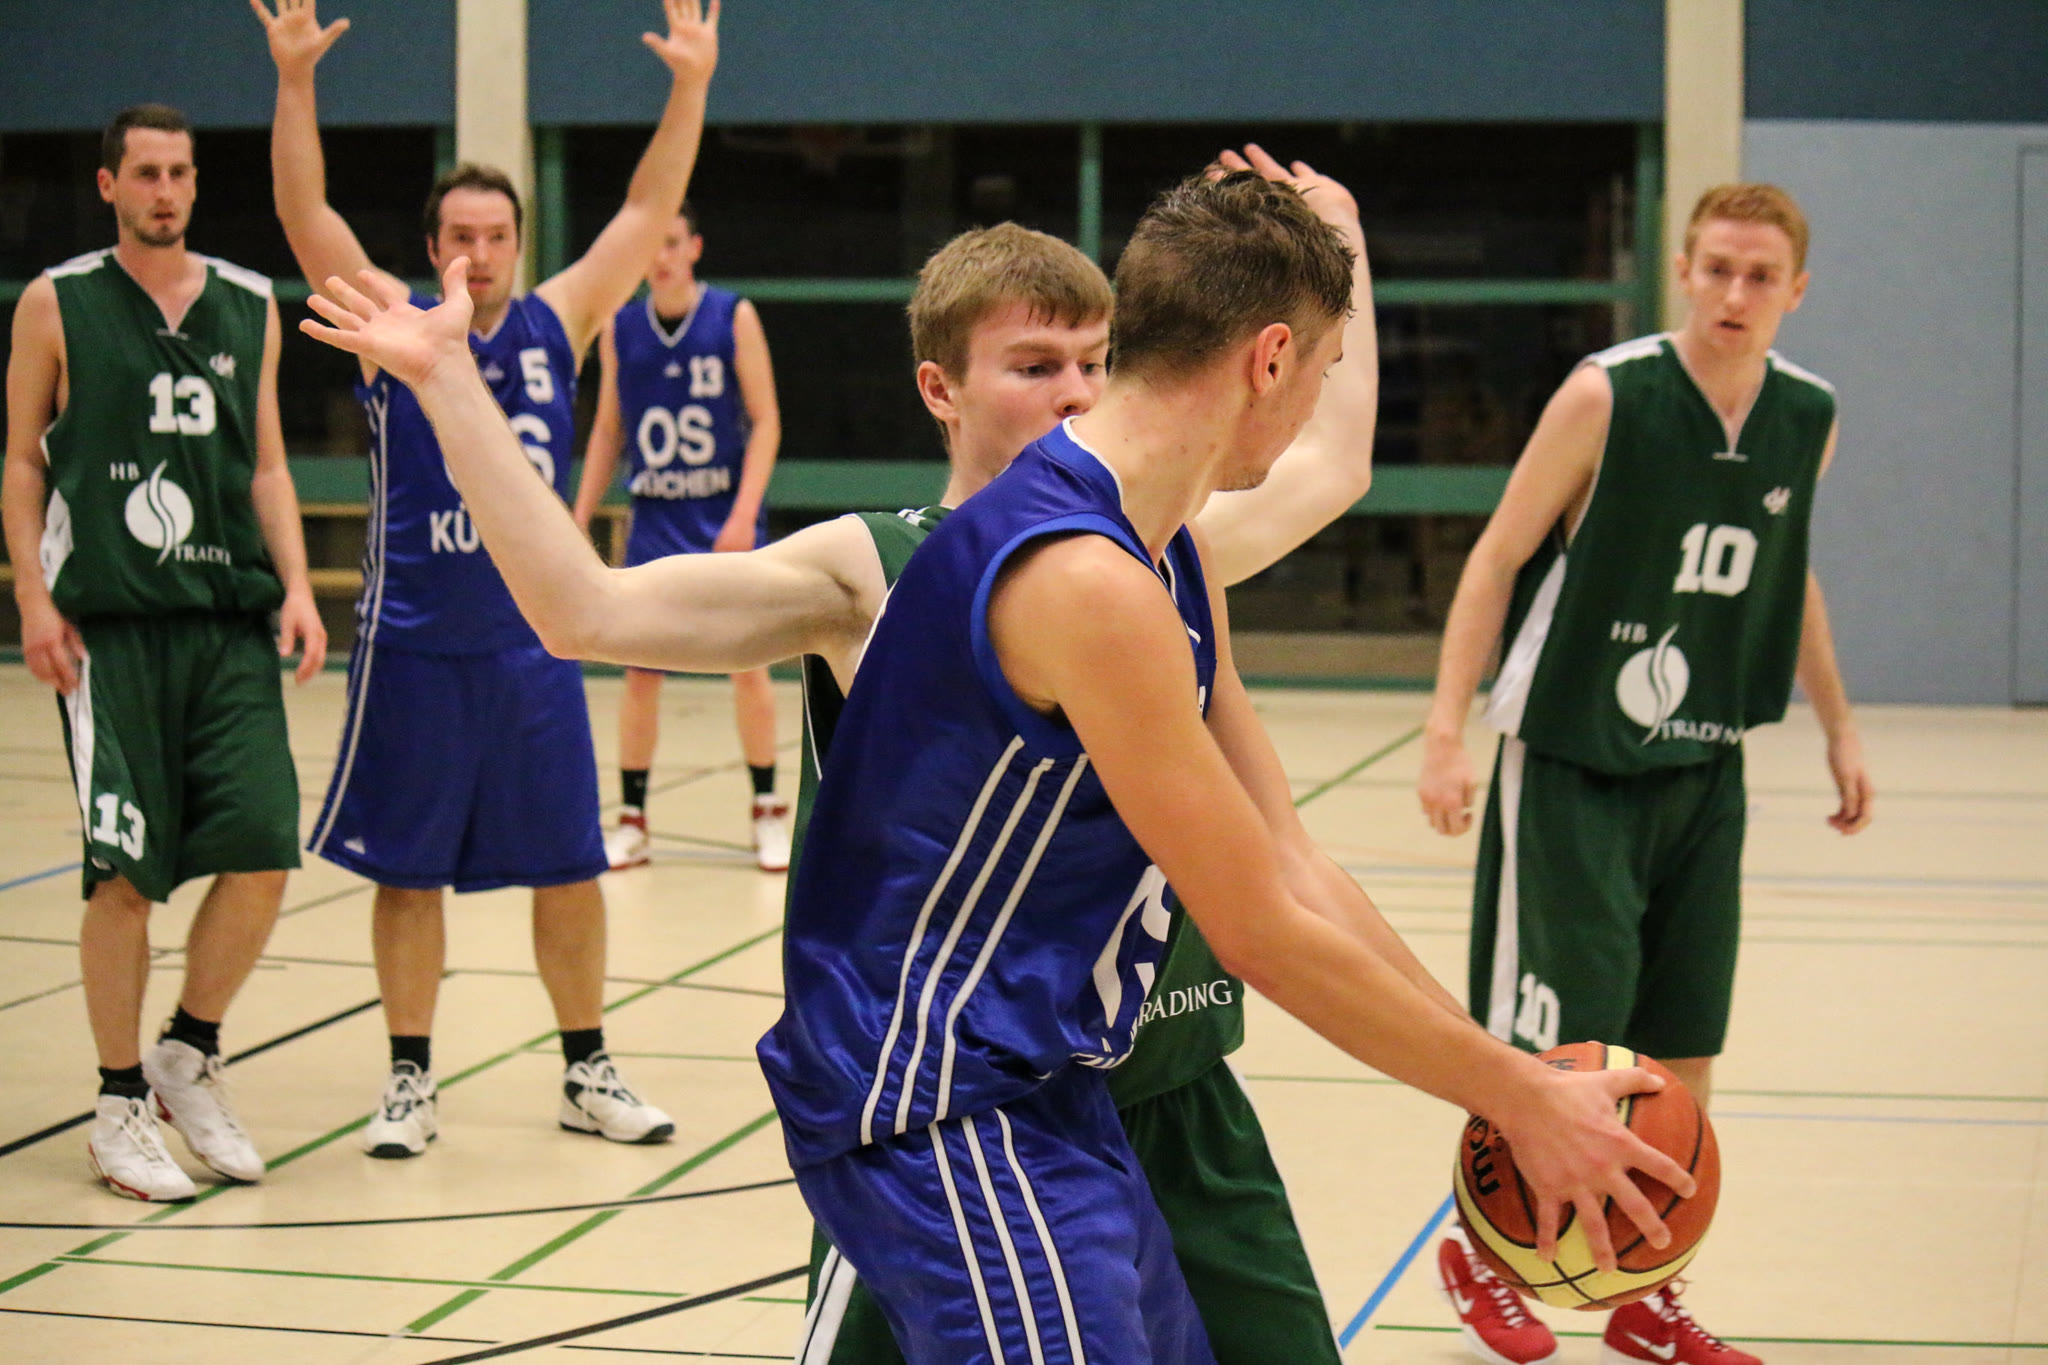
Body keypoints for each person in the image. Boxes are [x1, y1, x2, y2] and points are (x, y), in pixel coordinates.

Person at [302, 169, 1696, 1362]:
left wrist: (1509, 1072)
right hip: (932, 1097)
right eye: (1034, 364)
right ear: (1268, 360)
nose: (1068, 387)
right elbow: (1263, 925)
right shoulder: (1047, 575)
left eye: (1086, 357)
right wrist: (1511, 1093)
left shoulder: (1164, 554)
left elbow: (1287, 865)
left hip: (1067, 1079)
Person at [1416, 183, 1873, 1365]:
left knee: (1679, 1051)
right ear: (1681, 270)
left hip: (1703, 763)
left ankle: (1645, 1290)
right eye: (1714, 267)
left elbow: (1787, 575)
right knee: (1549, 1045)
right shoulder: (1605, 394)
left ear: (1795, 290)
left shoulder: (1806, 416)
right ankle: (1477, 1248)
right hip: (1571, 756)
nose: (1733, 292)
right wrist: (1444, 729)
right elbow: (1496, 556)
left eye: (1758, 275)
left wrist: (1837, 726)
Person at [253, 0, 719, 1159]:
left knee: (570, 867)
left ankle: (585, 1067)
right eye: (460, 234)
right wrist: (295, 80)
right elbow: (304, 215)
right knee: (405, 876)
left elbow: (645, 212)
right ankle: (409, 1079)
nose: (479, 250)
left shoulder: (560, 323)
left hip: (535, 645)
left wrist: (691, 86)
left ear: (519, 242)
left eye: (497, 233)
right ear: (433, 248)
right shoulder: (394, 325)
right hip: (412, 642)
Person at [2, 103, 327, 1202]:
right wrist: (32, 596)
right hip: (112, 628)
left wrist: (297, 585)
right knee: (125, 877)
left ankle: (186, 1051)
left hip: (227, 622)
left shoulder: (247, 302)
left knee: (265, 848)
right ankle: (114, 1105)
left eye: (180, 173)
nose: (166, 191)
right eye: (145, 173)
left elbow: (267, 464)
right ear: (109, 186)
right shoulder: (57, 302)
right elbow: (22, 462)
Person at [569, 203, 789, 873]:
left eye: (671, 242)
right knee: (640, 675)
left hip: (721, 517)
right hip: (655, 519)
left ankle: (768, 810)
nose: (659, 257)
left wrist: (744, 514)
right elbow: (609, 429)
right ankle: (633, 819)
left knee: (749, 666)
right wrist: (578, 516)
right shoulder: (620, 327)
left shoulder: (732, 316)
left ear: (694, 246)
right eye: (650, 245)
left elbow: (766, 420)